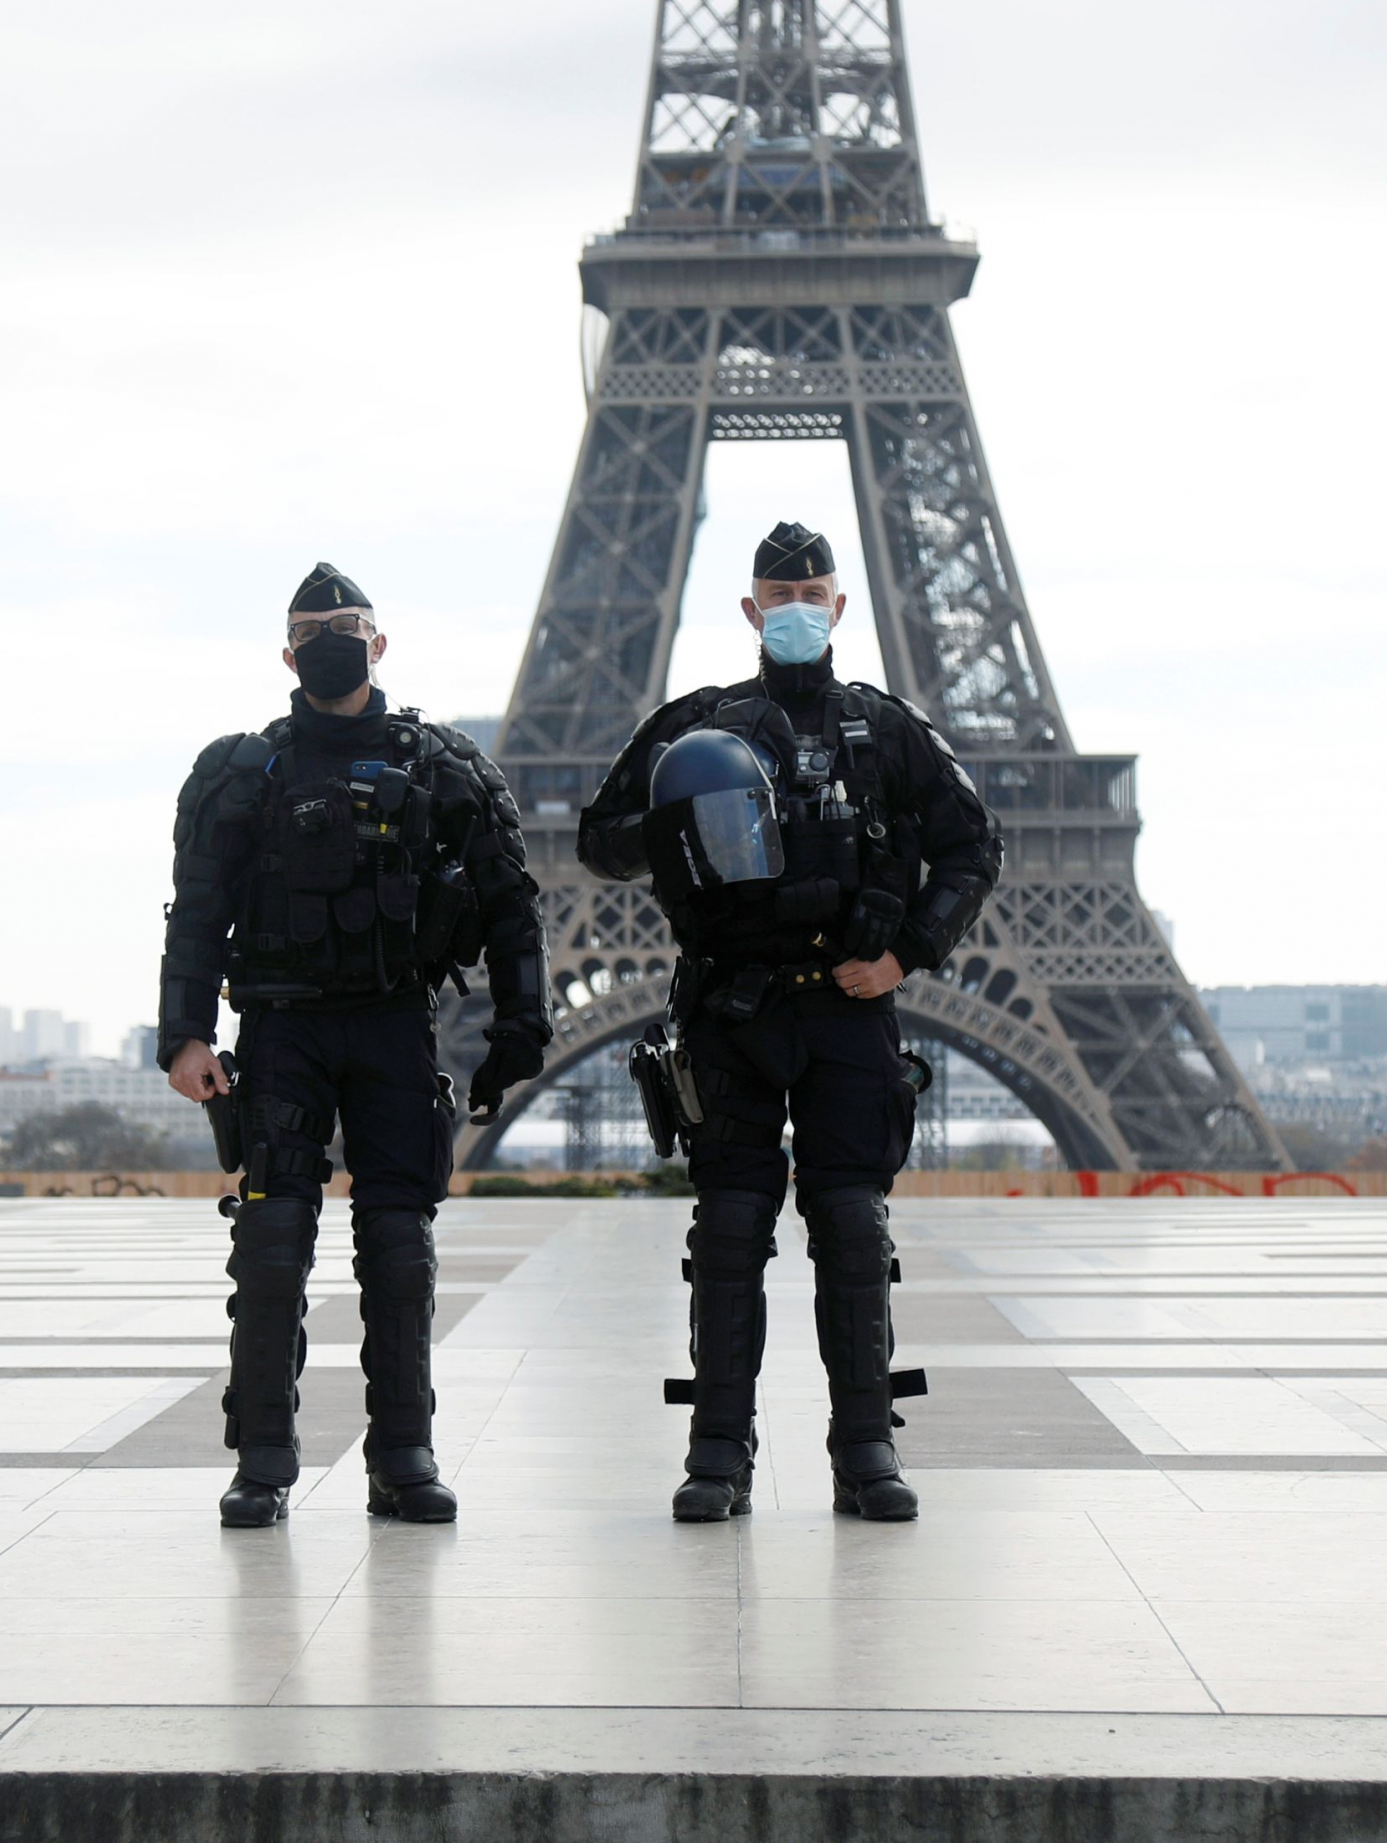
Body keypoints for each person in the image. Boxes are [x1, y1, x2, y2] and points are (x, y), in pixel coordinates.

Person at [578, 521, 1002, 1524]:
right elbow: (600, 843)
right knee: (727, 1228)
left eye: (812, 589)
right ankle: (718, 1449)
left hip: (847, 1007)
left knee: (852, 1228)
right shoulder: (696, 724)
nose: (797, 606)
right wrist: (676, 825)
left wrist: (907, 953)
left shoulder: (886, 730)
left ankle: (863, 1447)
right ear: (752, 609)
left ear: (838, 604)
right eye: (781, 593)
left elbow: (972, 846)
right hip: (730, 1004)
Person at [159, 563, 551, 1528]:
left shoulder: (444, 767)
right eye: (313, 628)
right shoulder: (240, 773)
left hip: (389, 1022)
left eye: (348, 624)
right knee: (271, 1246)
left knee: (399, 1248)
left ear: (379, 643)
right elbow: (197, 915)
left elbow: (511, 904)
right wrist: (184, 1034)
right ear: (287, 652)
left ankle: (403, 1455)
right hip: (282, 1028)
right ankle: (264, 1458)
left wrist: (522, 1024)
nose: (331, 638)